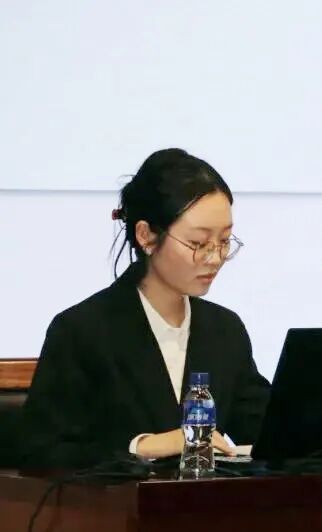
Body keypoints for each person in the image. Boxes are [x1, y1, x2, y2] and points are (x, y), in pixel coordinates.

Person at [21, 149, 270, 469]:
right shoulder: (83, 330)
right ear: (146, 236)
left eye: (224, 241)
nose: (215, 257)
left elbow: (268, 430)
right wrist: (144, 446)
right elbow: (40, 450)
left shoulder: (224, 330)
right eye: (198, 243)